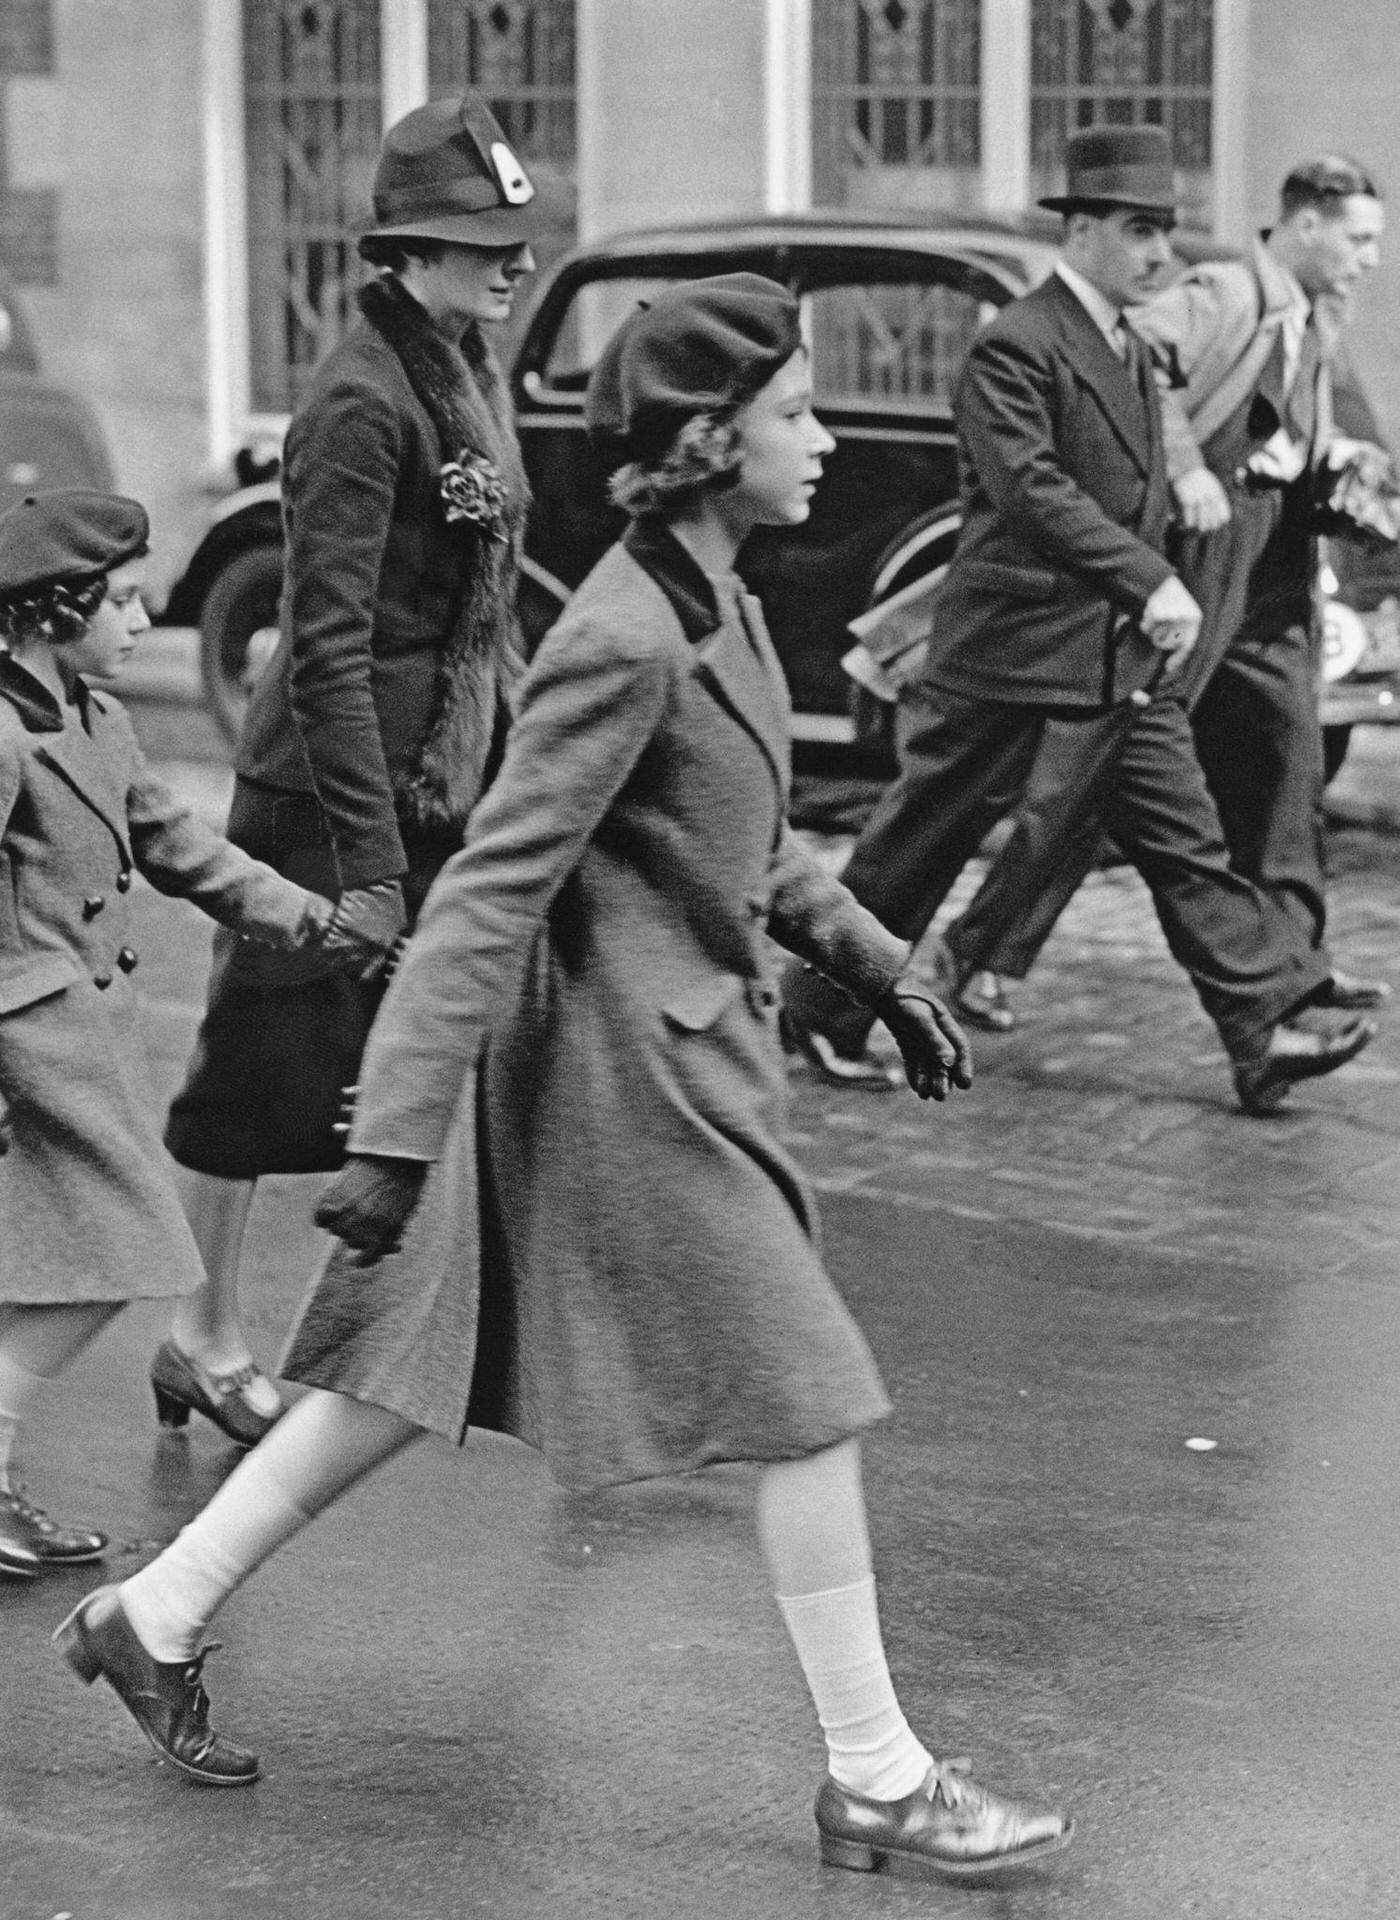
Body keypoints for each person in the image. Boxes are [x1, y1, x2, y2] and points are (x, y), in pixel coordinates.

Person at [57, 277, 1072, 1885]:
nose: (821, 441)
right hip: (625, 1087)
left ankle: (150, 1612)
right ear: (705, 440)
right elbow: (489, 890)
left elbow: (745, 843)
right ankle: (877, 1777)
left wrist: (885, 969)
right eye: (797, 413)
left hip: (657, 1063)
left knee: (404, 1365)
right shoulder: (621, 633)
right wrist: (390, 1139)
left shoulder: (714, 599)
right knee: (810, 1399)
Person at [779, 127, 1374, 1118]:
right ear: (1085, 229)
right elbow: (1031, 494)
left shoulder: (1128, 343)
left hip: (1112, 658)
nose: (1157, 255)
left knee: (1184, 840)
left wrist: (1194, 502)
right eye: (1137, 233)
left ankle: (1259, 1029)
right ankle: (819, 1008)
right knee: (917, 840)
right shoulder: (1019, 340)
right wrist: (1153, 579)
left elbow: (1145, 467)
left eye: (1164, 233)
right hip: (1012, 651)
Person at [152, 92, 537, 1445]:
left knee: (383, 1061)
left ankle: (286, 1345)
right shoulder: (363, 400)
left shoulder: (460, 363)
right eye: (478, 239)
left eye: (513, 237)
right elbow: (320, 650)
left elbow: (485, 593)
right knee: (255, 1072)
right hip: (327, 792)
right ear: (408, 250)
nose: (512, 260)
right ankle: (198, 1338)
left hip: (427, 776)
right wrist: (369, 865)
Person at [945, 154, 1389, 1027]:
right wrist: (1185, 469)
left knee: (1288, 761)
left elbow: (1294, 422)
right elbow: (1133, 365)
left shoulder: (1315, 311)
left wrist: (1333, 458)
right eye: (1360, 238)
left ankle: (1296, 961)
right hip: (1204, 556)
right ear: (1306, 225)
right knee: (1112, 769)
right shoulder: (1224, 291)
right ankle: (983, 950)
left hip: (1274, 563)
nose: (1371, 258)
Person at [0, 490, 337, 1579]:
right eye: (127, 600)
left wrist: (310, 919)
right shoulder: (3, 736)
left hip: (83, 1029)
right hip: (29, 1031)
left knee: (58, 1256)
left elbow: (178, 846)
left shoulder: (97, 718)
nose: (144, 621)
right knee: (121, 1245)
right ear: (57, 609)